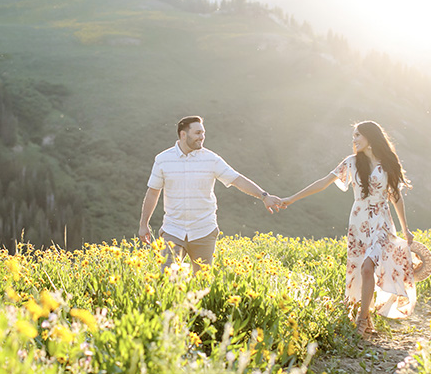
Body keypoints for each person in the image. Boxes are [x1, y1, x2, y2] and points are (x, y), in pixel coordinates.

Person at [280, 121, 415, 336]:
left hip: (380, 221)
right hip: (358, 223)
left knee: (368, 267)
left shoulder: (387, 163)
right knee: (359, 270)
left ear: (370, 137)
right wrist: (291, 199)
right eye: (353, 136)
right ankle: (366, 316)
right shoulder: (351, 163)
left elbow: (395, 196)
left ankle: (362, 320)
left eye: (357, 135)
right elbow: (323, 182)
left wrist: (405, 228)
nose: (354, 140)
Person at [139, 115, 283, 273]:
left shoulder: (211, 159)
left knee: (202, 284)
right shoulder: (162, 160)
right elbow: (153, 193)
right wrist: (143, 224)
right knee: (165, 281)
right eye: (198, 133)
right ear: (183, 134)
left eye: (203, 133)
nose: (202, 137)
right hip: (173, 230)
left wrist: (264, 196)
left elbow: (237, 179)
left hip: (204, 231)